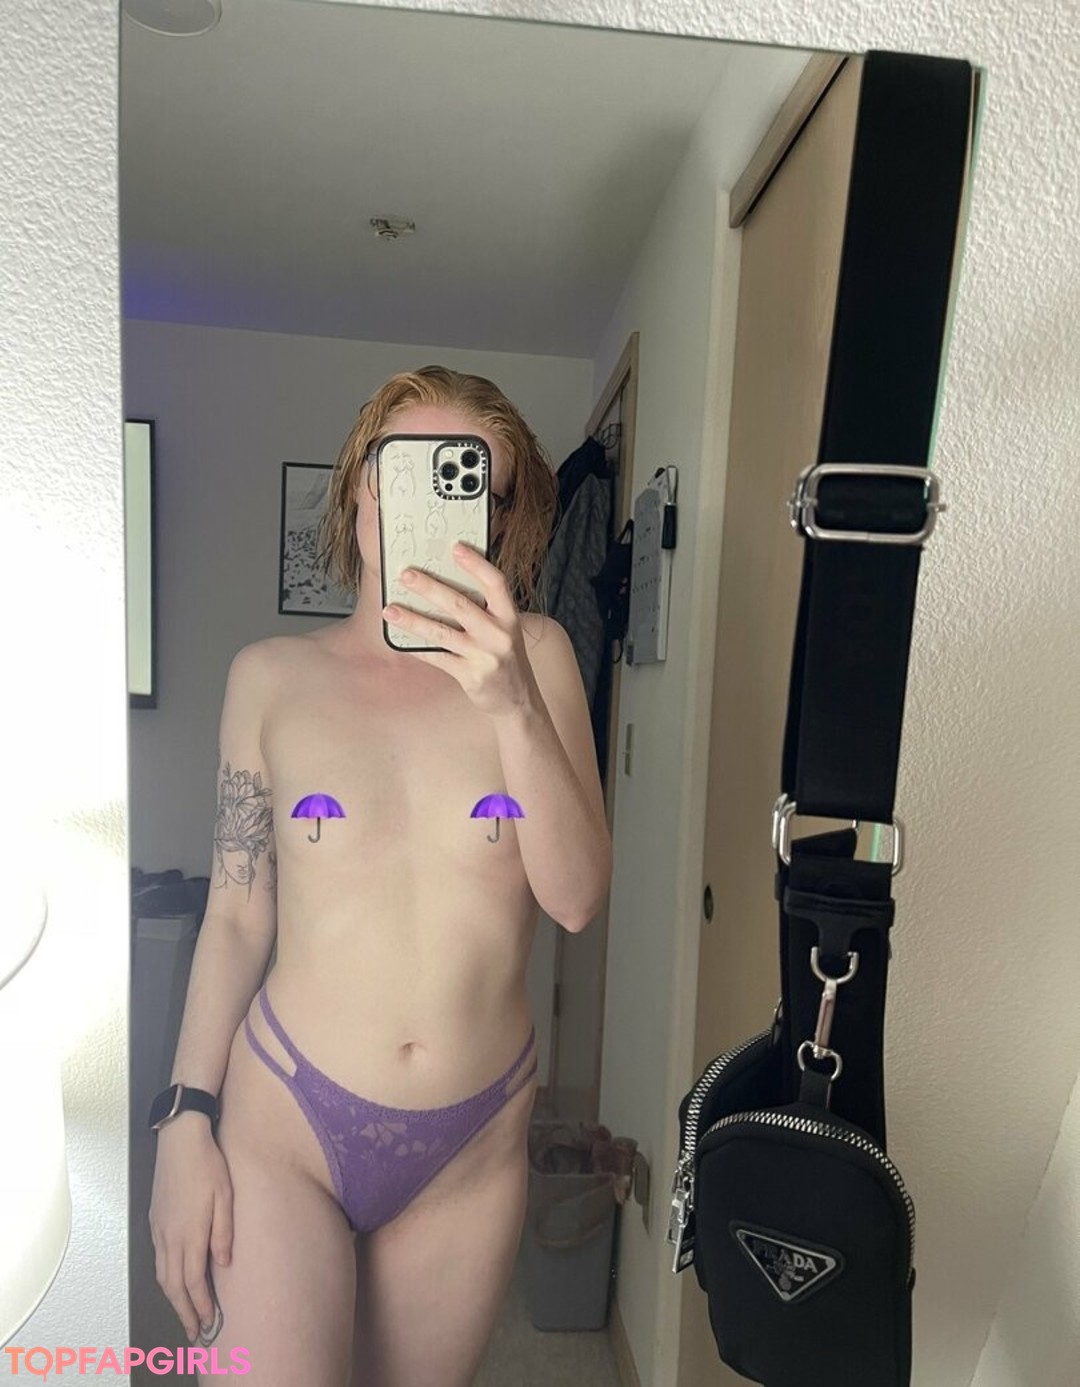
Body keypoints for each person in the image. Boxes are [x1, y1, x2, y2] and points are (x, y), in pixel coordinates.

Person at [147, 365, 614, 1387]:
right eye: (399, 470)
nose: (419, 504)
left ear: (498, 521)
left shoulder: (538, 660)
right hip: (285, 1122)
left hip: (472, 1144)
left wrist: (510, 705)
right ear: (359, 484)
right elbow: (236, 914)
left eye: (467, 483)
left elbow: (577, 898)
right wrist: (184, 1118)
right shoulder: (270, 678)